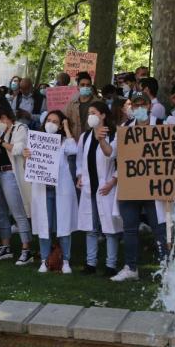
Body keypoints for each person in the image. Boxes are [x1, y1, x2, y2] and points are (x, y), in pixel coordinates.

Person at [111, 94, 168, 282]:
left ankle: (164, 266)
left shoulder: (162, 125)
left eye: (143, 103)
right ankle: (131, 267)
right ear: (131, 108)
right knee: (129, 228)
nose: (139, 107)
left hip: (155, 185)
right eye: (136, 104)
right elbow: (113, 153)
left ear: (150, 105)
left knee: (159, 227)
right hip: (131, 185)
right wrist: (100, 137)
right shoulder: (125, 129)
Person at [25, 111, 77, 274]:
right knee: (43, 226)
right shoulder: (36, 141)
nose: (51, 123)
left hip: (61, 189)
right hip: (43, 189)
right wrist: (27, 155)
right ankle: (44, 260)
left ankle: (66, 260)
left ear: (61, 125)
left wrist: (67, 128)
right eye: (48, 120)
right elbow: (30, 166)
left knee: (64, 225)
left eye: (55, 121)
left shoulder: (64, 143)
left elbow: (74, 149)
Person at [77, 101, 122, 276]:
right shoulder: (85, 136)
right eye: (89, 113)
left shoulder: (113, 134)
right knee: (91, 227)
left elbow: (112, 155)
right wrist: (80, 175)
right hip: (89, 187)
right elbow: (81, 159)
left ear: (103, 115)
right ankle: (90, 263)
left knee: (110, 229)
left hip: (106, 187)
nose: (91, 116)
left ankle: (111, 265)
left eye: (94, 112)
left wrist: (112, 181)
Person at [0, 103, 34, 264]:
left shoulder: (20, 128)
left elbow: (18, 149)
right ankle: (5, 246)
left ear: (4, 118)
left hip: (10, 174)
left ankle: (26, 249)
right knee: (1, 212)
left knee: (17, 211)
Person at [64, 71, 97, 139]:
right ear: (78, 87)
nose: (85, 87)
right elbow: (66, 121)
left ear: (91, 87)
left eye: (88, 85)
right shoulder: (71, 104)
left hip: (92, 140)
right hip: (75, 139)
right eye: (82, 85)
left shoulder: (98, 103)